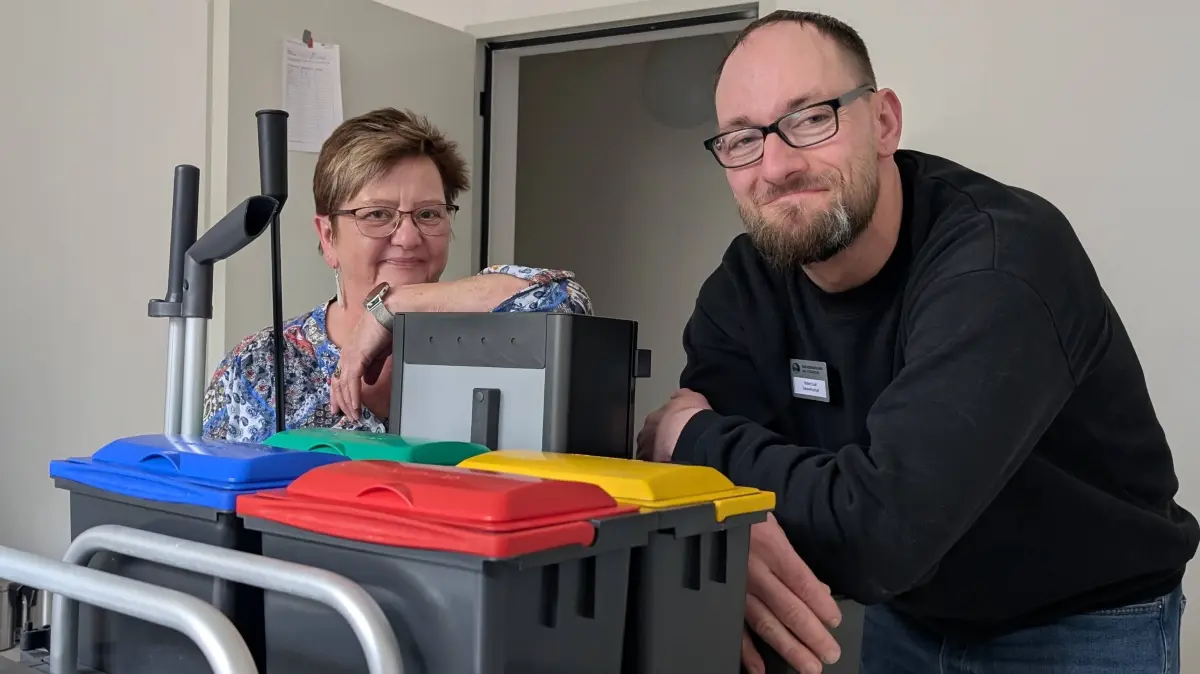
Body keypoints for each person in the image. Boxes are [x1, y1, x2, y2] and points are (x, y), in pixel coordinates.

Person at [637, 10, 1197, 674]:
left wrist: (685, 437)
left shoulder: (1002, 261)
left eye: (811, 118)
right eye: (741, 139)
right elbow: (727, 503)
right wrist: (721, 502)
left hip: (1081, 621)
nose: (777, 165)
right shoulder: (744, 287)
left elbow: (878, 533)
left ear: (883, 123)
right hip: (909, 616)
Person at [203, 108, 592, 442]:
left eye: (428, 214)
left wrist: (393, 305)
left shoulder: (489, 332)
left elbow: (567, 302)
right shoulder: (257, 369)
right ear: (328, 237)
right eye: (376, 215)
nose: (408, 237)